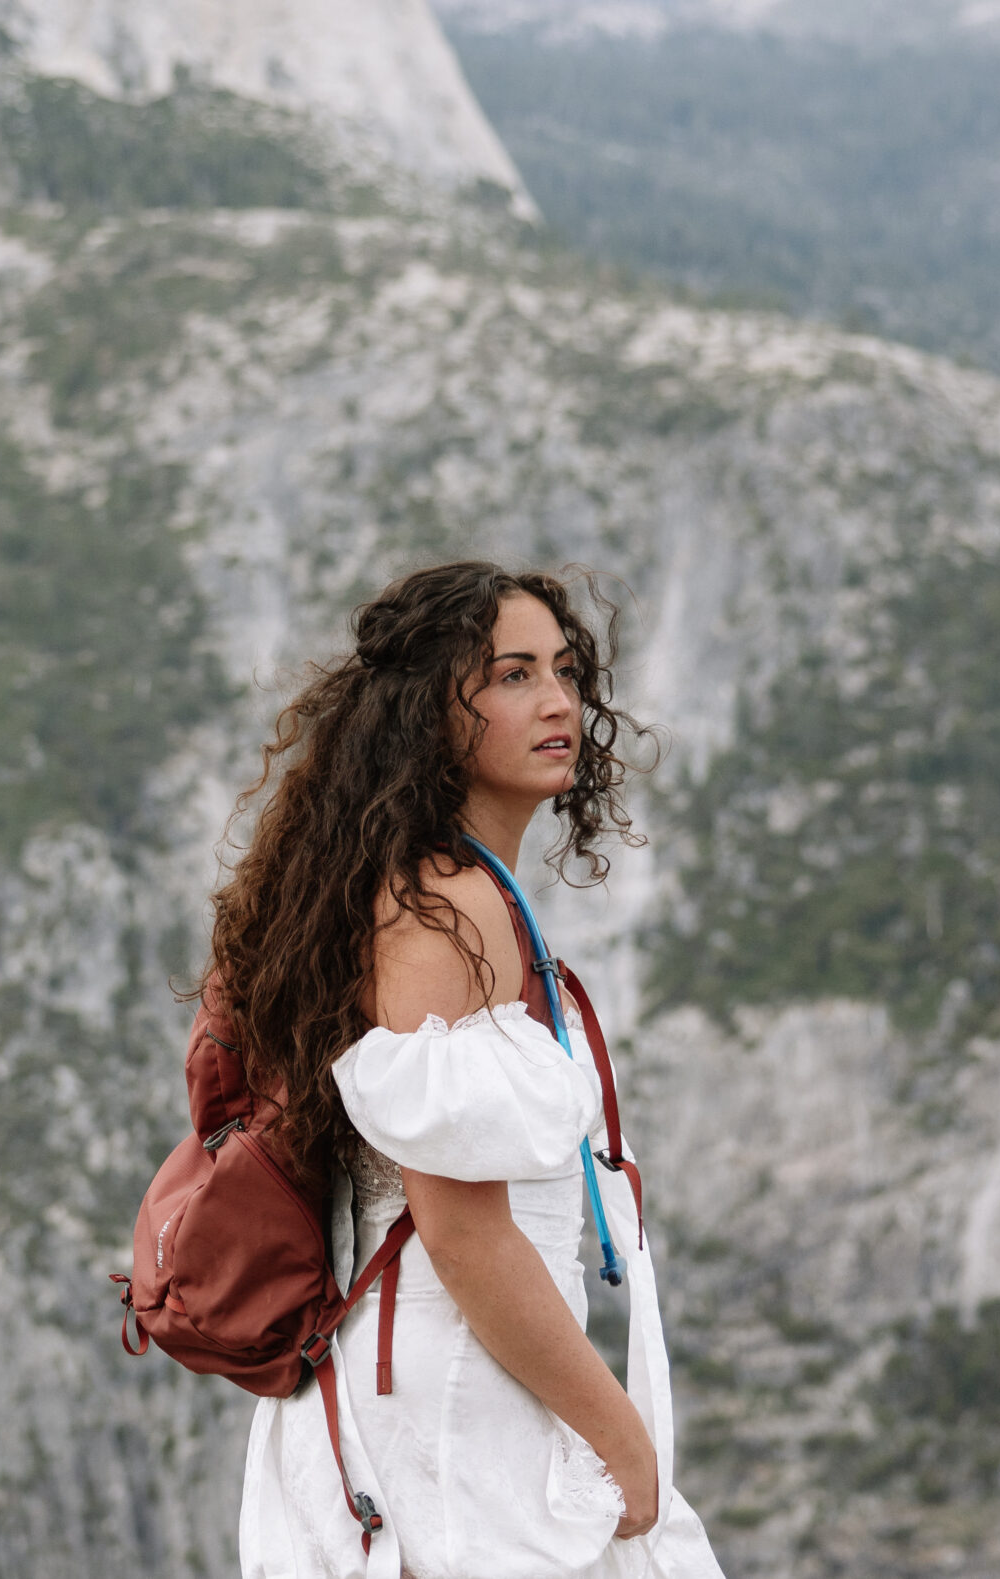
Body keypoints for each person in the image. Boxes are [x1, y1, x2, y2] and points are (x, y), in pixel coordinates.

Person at [217, 561, 724, 1579]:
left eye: (566, 671)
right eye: (509, 675)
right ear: (427, 715)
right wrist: (618, 1437)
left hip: (434, 1384)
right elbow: (460, 1229)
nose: (556, 702)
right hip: (456, 1400)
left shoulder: (438, 887)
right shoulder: (450, 905)